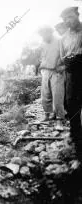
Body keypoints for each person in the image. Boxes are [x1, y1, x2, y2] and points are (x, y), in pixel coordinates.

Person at [59, 7, 82, 159]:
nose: (68, 20)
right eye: (65, 18)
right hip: (71, 72)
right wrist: (67, 60)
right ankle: (76, 139)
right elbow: (62, 56)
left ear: (77, 15)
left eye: (71, 17)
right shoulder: (64, 37)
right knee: (71, 102)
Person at [37, 25, 65, 130]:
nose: (43, 37)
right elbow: (42, 57)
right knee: (45, 95)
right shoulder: (43, 43)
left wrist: (63, 67)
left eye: (44, 34)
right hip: (45, 71)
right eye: (41, 35)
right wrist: (42, 67)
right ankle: (47, 115)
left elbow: (64, 57)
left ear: (50, 33)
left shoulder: (59, 41)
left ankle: (59, 120)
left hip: (56, 72)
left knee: (57, 96)